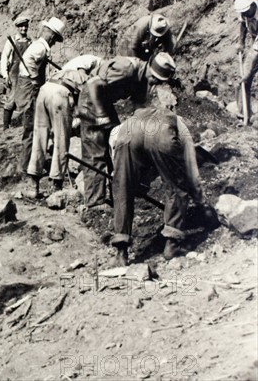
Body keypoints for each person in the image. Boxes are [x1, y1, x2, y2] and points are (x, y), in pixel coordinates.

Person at [78, 52, 176, 209]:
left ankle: (117, 193)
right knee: (95, 150)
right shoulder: (126, 68)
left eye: (159, 82)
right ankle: (94, 202)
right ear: (149, 68)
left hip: (105, 102)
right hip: (92, 100)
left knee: (118, 144)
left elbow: (139, 109)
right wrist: (101, 114)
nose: (154, 84)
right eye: (155, 79)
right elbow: (93, 84)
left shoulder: (144, 80)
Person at [109, 107, 204, 266]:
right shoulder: (181, 128)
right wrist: (199, 200)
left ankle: (120, 252)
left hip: (129, 133)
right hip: (160, 134)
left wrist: (133, 182)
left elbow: (120, 167)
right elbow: (191, 171)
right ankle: (172, 245)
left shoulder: (119, 128)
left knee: (122, 189)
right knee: (176, 188)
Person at [25, 55, 103, 197]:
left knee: (40, 135)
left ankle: (33, 184)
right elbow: (87, 102)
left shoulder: (69, 68)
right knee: (62, 139)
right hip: (60, 93)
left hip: (45, 89)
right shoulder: (92, 69)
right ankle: (56, 184)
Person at [15, 17, 66, 180]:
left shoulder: (39, 46)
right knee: (30, 128)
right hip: (30, 89)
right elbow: (29, 68)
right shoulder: (40, 49)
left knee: (32, 127)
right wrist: (37, 82)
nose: (54, 43)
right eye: (55, 40)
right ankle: (24, 168)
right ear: (50, 36)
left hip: (29, 87)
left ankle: (29, 163)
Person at [0, 16, 32, 130]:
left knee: (26, 99)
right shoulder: (12, 41)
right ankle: (5, 126)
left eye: (25, 26)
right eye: (21, 26)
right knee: (11, 99)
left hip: (25, 75)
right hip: (14, 74)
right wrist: (5, 75)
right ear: (17, 28)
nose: (24, 29)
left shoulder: (30, 42)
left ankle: (24, 126)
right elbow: (4, 58)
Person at [234, 0, 258, 121]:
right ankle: (244, 114)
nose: (243, 15)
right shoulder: (246, 13)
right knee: (243, 81)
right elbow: (243, 23)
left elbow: (255, 53)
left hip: (257, 49)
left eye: (245, 12)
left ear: (253, 6)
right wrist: (241, 42)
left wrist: (248, 72)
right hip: (256, 46)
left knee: (246, 73)